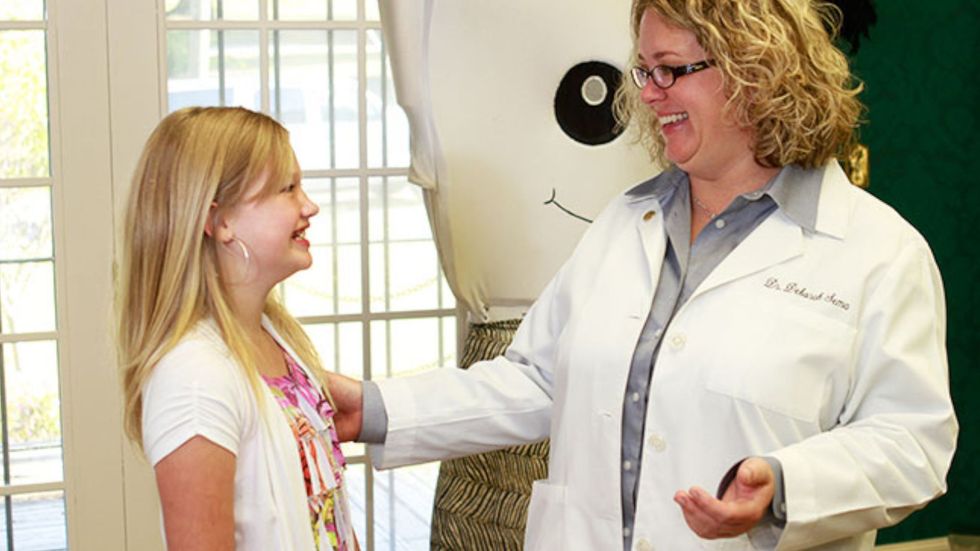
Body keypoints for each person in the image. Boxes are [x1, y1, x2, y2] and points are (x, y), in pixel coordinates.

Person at [327, 0, 958, 549]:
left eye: (670, 70)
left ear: (757, 71)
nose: (647, 94)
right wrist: (375, 409)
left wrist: (787, 484)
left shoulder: (877, 252)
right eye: (644, 71)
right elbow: (538, 381)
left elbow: (911, 442)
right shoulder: (626, 222)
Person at [118, 106, 357, 551]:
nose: (309, 206)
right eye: (287, 188)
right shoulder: (193, 376)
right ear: (220, 221)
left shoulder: (276, 340)